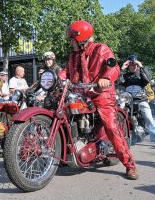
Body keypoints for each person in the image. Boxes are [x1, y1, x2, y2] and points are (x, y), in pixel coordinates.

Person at [59, 20, 139, 180]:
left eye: (72, 39)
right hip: (80, 93)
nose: (71, 43)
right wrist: (56, 78)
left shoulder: (100, 49)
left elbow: (113, 67)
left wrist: (106, 78)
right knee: (63, 115)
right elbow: (67, 72)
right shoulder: (74, 56)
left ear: (81, 39)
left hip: (100, 93)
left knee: (110, 126)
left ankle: (130, 165)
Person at [120, 55, 155, 149]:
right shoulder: (126, 75)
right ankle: (119, 139)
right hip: (128, 100)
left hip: (141, 99)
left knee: (148, 117)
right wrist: (123, 68)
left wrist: (141, 66)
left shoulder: (141, 74)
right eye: (130, 65)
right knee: (119, 114)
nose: (132, 66)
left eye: (134, 65)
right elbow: (118, 80)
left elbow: (148, 79)